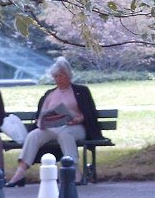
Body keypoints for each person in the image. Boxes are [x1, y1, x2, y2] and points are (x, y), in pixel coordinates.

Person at [5, 57, 99, 187]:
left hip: (75, 127)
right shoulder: (50, 94)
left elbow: (89, 113)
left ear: (68, 75)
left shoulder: (81, 91)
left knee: (65, 134)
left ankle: (74, 172)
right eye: (55, 77)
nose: (58, 79)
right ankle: (19, 173)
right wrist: (41, 122)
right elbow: (41, 115)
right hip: (52, 128)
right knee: (33, 135)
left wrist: (78, 118)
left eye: (61, 76)